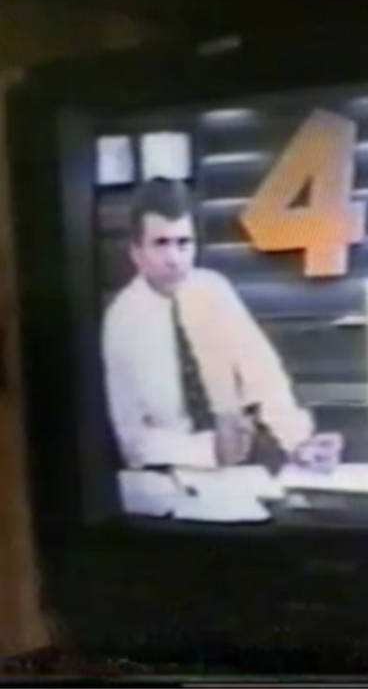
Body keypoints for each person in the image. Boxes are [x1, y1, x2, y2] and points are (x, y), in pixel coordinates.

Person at [102, 177, 341, 473]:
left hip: (238, 466)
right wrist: (208, 450)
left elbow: (263, 375)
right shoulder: (121, 321)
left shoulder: (214, 290)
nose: (174, 259)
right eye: (161, 244)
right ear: (136, 253)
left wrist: (298, 442)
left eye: (183, 243)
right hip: (170, 471)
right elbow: (131, 440)